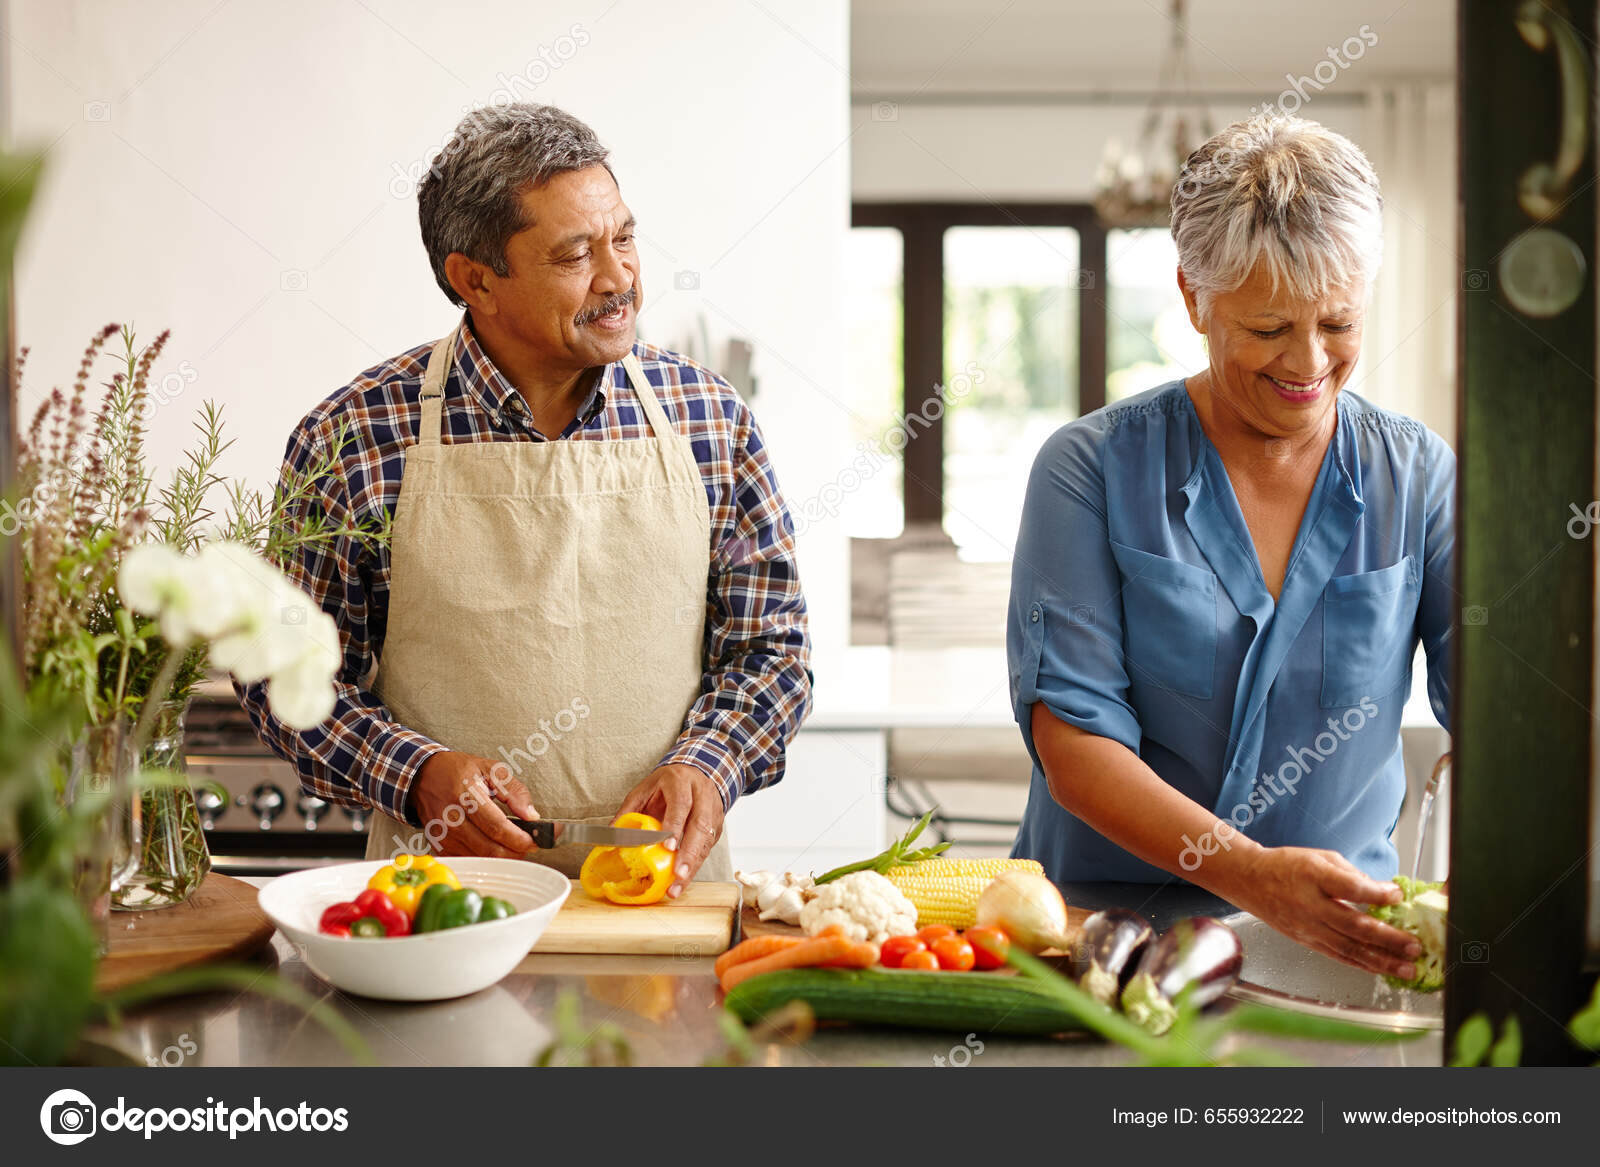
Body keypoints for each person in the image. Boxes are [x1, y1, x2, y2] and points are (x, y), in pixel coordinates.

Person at [239, 103, 812, 892]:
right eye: (576, 254)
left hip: (663, 909)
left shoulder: (711, 419)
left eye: (624, 238)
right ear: (473, 279)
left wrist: (708, 766)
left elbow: (771, 652)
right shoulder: (353, 438)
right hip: (441, 910)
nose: (620, 279)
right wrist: (415, 773)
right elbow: (280, 674)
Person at [1008, 114, 1452, 979]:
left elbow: (1503, 712)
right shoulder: (1088, 470)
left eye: (1339, 322)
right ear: (1192, 296)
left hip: (1345, 945)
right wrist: (1251, 877)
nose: (1309, 362)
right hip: (1108, 941)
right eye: (1269, 327)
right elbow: (1077, 746)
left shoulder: (1419, 475)